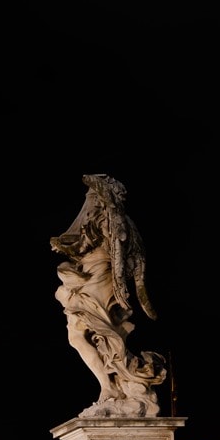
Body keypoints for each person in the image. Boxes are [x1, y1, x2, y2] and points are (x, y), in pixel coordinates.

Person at [50, 174, 165, 418]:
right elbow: (83, 244)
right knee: (77, 336)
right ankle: (108, 385)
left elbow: (115, 250)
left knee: (100, 332)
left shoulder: (114, 219)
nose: (88, 203)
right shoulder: (104, 218)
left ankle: (117, 383)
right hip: (87, 274)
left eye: (92, 197)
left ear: (101, 198)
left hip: (99, 276)